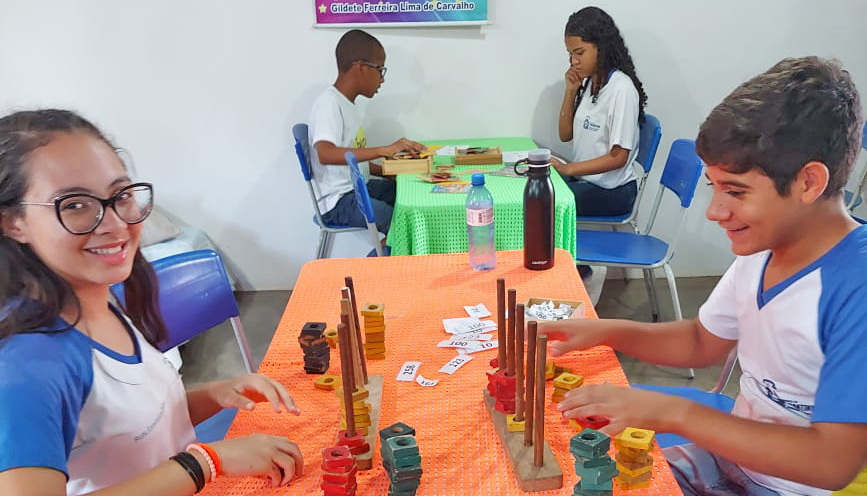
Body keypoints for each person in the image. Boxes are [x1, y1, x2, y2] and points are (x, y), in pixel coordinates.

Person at [540, 57, 867, 495]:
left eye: (735, 191)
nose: (715, 211)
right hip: (729, 459)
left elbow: (831, 464)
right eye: (713, 187)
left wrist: (675, 413)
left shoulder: (854, 288)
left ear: (809, 182)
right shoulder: (765, 245)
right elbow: (701, 341)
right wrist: (601, 331)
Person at [0, 109, 304, 495]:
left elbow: (129, 432)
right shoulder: (29, 365)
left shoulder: (100, 298)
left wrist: (215, 394)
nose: (113, 224)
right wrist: (207, 462)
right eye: (75, 204)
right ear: (13, 222)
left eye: (120, 195)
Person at [309, 28, 424, 240]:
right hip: (338, 200)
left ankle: (392, 256)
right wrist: (383, 150)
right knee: (395, 220)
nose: (382, 78)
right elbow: (325, 154)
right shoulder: (329, 104)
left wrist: (389, 171)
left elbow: (353, 161)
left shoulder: (349, 105)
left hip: (355, 186)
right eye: (380, 69)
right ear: (360, 67)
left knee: (404, 194)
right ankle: (379, 263)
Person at [551, 6, 647, 218]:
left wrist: (569, 169)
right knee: (535, 187)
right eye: (570, 54)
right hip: (585, 181)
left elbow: (618, 157)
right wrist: (570, 91)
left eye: (580, 53)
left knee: (541, 203)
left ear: (601, 48)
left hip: (612, 191)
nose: (573, 61)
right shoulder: (591, 84)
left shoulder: (621, 88)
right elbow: (565, 135)